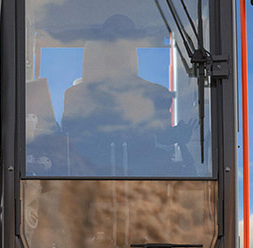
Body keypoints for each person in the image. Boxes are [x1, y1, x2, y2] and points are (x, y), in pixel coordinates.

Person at [57, 15, 180, 176]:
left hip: (145, 189)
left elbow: (164, 140)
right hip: (88, 186)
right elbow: (69, 141)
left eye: (125, 41)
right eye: (111, 42)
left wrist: (177, 136)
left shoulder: (158, 95)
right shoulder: (75, 97)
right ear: (102, 48)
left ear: (132, 48)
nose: (118, 49)